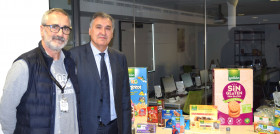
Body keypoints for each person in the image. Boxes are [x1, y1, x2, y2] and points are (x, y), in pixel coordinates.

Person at [0, 8, 80, 134]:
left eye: (65, 28)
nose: (60, 34)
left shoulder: (71, 63)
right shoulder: (24, 66)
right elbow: (6, 109)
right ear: (42, 30)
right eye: (54, 27)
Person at [70, 12, 131, 134]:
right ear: (90, 31)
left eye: (108, 28)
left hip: (115, 127)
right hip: (87, 128)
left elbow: (125, 98)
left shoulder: (120, 58)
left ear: (112, 34)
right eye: (98, 27)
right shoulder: (74, 56)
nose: (103, 32)